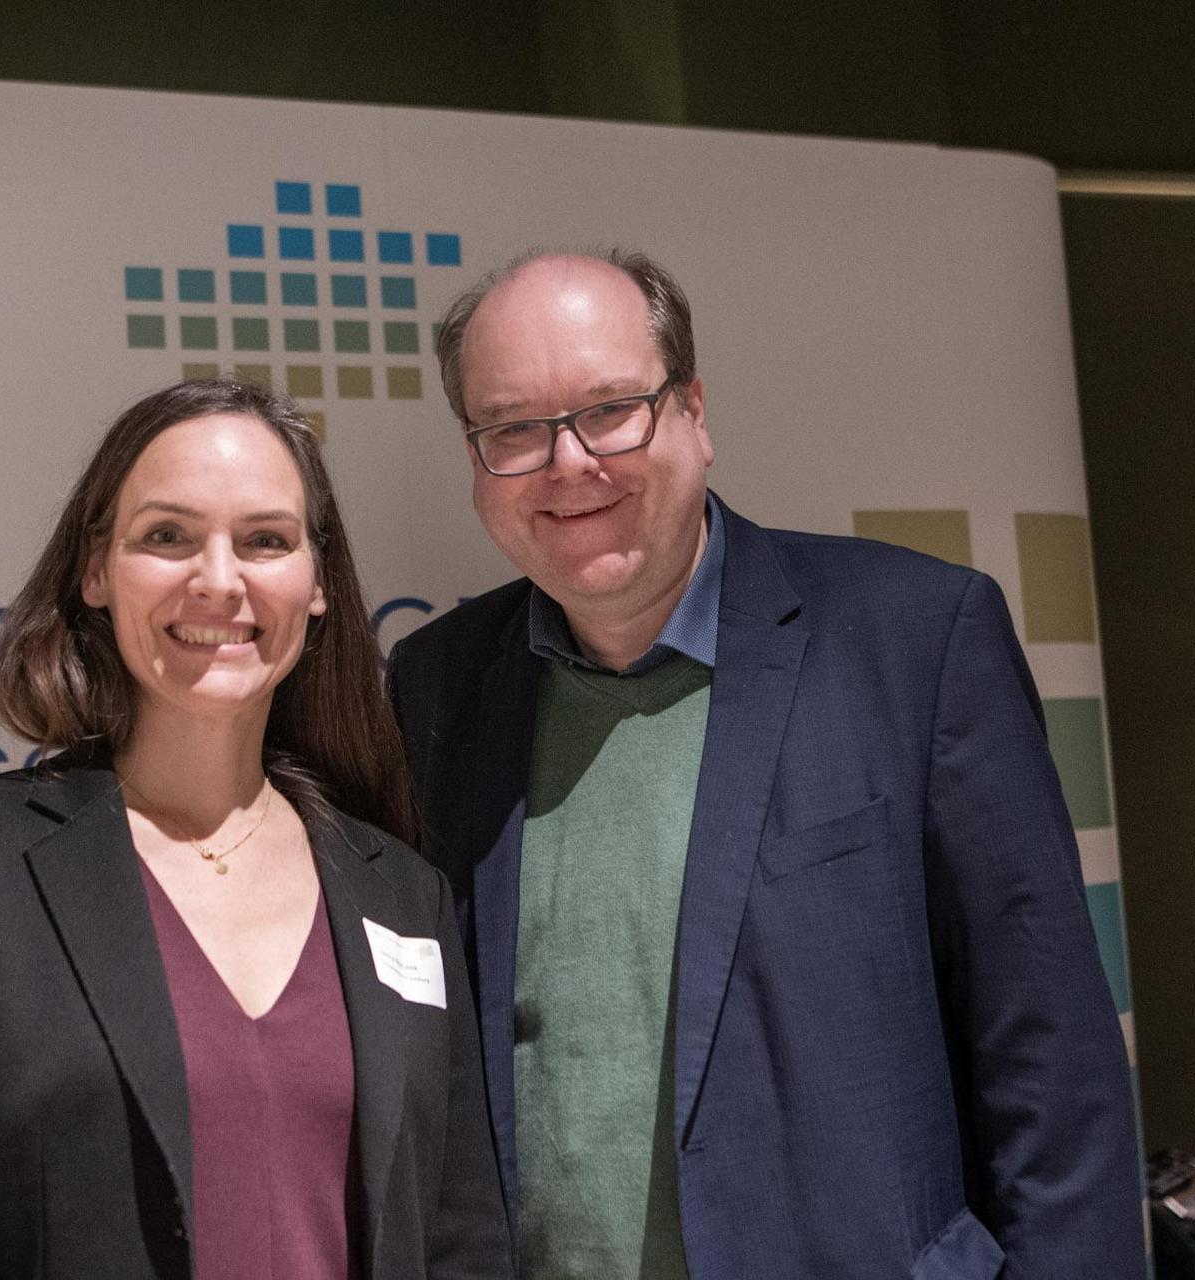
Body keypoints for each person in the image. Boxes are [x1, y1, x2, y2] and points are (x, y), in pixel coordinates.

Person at [387, 250, 1144, 1278]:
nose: (568, 462)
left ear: (695, 410)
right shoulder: (436, 685)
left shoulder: (914, 638)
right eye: (514, 427)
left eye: (612, 407)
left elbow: (1052, 1068)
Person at [0, 379, 512, 1279]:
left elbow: (462, 1241)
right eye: (168, 537)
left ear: (316, 585)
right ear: (95, 572)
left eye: (266, 540)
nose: (219, 580)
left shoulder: (401, 890)